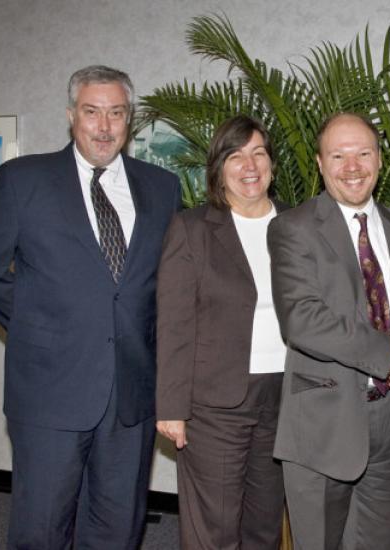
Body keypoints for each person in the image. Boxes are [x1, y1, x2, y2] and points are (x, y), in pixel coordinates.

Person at [0, 65, 181, 549]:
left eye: (116, 113)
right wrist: (37, 327)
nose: (104, 126)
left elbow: (167, 286)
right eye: (92, 112)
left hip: (132, 396)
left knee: (117, 526)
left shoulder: (162, 188)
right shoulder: (24, 180)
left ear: (130, 120)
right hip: (49, 390)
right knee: (41, 526)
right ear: (71, 116)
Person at [267, 112, 390, 550]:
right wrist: (387, 354)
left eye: (363, 153)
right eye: (338, 155)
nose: (352, 166)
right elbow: (301, 319)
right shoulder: (293, 228)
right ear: (321, 164)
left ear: (379, 159)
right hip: (322, 421)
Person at [156, 115, 287, 550]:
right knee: (214, 528)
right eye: (235, 155)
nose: (249, 166)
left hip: (286, 397)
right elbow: (174, 323)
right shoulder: (192, 229)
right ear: (218, 168)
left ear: (271, 163)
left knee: (265, 525)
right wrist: (171, 406)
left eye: (258, 153)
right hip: (213, 405)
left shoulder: (299, 225)